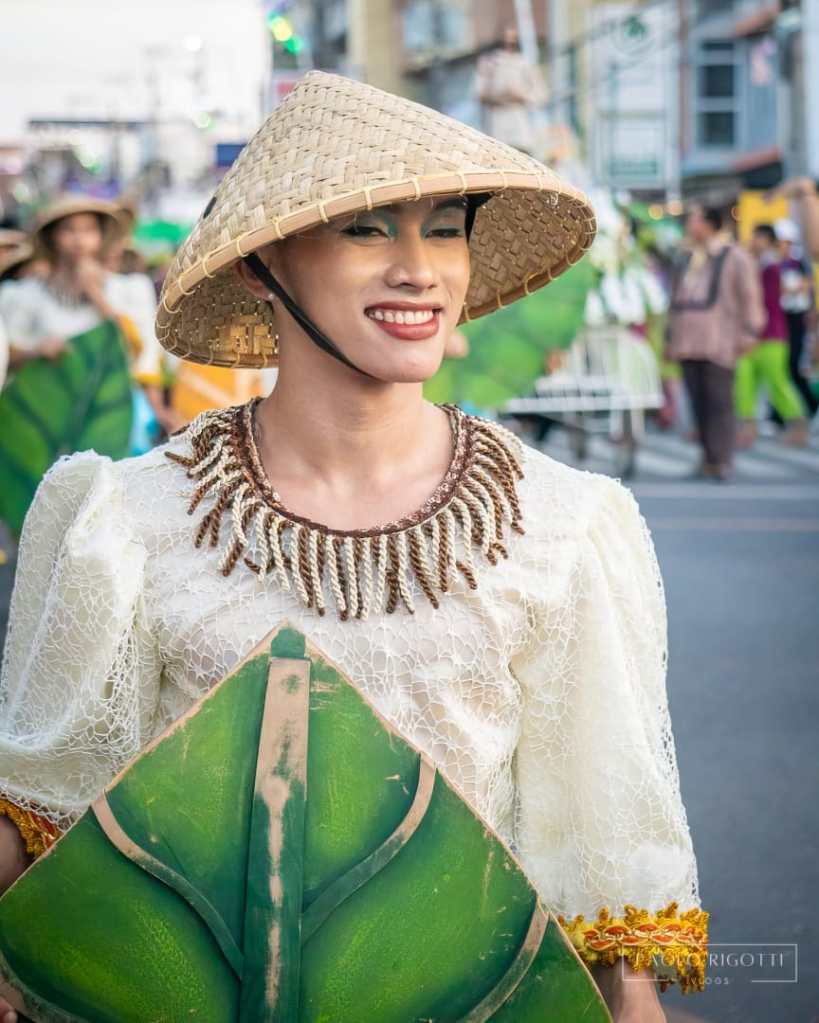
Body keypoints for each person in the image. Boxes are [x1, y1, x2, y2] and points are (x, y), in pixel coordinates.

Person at [0, 72, 706, 1021]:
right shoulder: (125, 517)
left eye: (445, 229)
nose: (419, 270)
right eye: (368, 229)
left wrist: (631, 1000)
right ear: (262, 264)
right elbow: (49, 816)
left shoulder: (563, 523)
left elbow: (597, 844)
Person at [0, 195, 176, 438]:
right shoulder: (22, 294)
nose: (79, 239)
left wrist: (95, 294)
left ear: (101, 236)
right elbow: (6, 354)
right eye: (69, 230)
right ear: (52, 237)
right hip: (43, 417)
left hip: (107, 417)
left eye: (88, 230)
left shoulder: (130, 289)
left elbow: (139, 351)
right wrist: (37, 352)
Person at [667, 205, 766, 480]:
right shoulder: (686, 256)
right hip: (687, 342)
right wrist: (670, 338)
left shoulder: (734, 256)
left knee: (719, 403)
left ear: (709, 224)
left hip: (719, 342)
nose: (690, 225)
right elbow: (675, 299)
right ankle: (708, 459)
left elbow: (750, 296)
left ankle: (721, 460)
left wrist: (750, 332)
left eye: (694, 220)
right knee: (697, 404)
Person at [735, 224, 808, 448]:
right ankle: (747, 427)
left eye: (757, 238)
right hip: (754, 334)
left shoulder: (772, 267)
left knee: (777, 382)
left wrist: (754, 332)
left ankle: (798, 425)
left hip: (770, 335)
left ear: (767, 240)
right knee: (744, 380)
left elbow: (767, 302)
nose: (753, 241)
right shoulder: (758, 265)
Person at [475, 24, 546, 154]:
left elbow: (540, 94)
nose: (508, 45)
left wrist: (521, 96)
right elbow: (479, 93)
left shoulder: (523, 63)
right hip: (496, 125)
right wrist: (497, 96)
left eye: (512, 41)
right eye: (505, 41)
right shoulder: (488, 62)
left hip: (519, 124)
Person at [774, 218, 818, 421]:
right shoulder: (776, 263)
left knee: (793, 365)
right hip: (780, 318)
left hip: (796, 319)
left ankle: (809, 406)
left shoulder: (798, 262)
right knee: (781, 367)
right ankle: (779, 415)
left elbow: (805, 287)